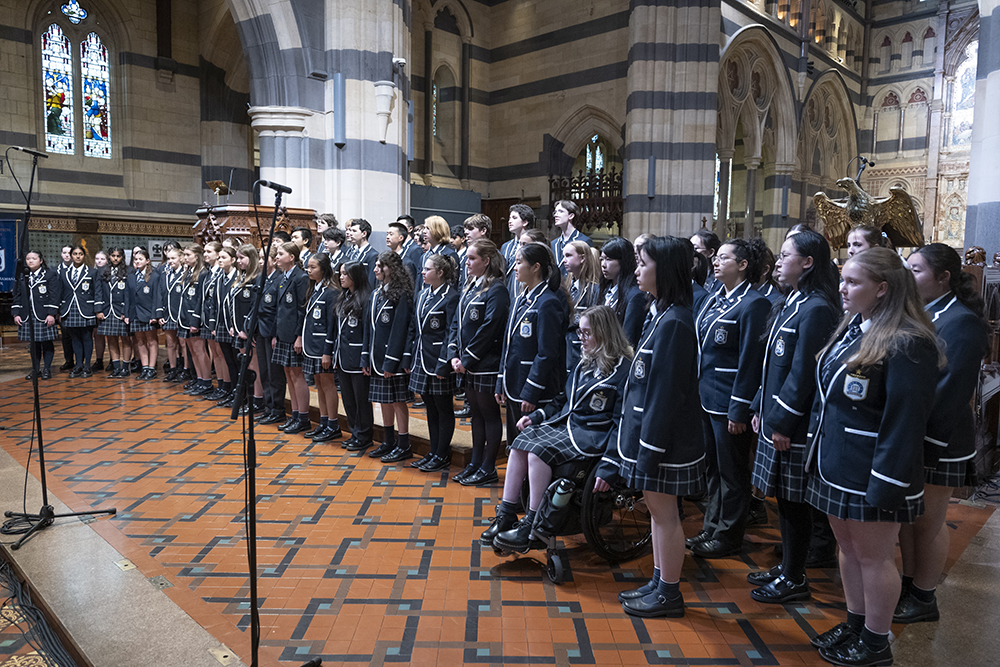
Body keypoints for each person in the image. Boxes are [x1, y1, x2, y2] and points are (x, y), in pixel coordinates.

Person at [805, 247, 941, 666]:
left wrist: (887, 482)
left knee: (875, 557)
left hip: (872, 472)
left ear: (882, 289)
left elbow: (905, 421)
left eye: (852, 282)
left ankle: (877, 642)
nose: (842, 288)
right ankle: (856, 622)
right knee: (848, 550)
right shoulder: (853, 328)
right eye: (842, 280)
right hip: (836, 466)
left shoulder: (908, 341)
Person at [596, 236, 707, 618]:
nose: (638, 270)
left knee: (665, 515)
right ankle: (661, 580)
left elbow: (666, 392)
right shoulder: (660, 311)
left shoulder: (675, 321)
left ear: (666, 270)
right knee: (659, 514)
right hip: (649, 434)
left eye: (644, 264)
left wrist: (651, 447)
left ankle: (670, 591)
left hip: (664, 441)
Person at [483, 305, 630, 550]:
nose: (580, 339)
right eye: (580, 333)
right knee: (521, 442)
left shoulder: (622, 372)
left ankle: (532, 523)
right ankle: (507, 514)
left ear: (604, 334)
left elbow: (622, 424)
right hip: (569, 427)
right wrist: (538, 416)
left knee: (538, 452)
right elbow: (563, 400)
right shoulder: (585, 363)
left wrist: (611, 463)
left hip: (593, 436)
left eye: (586, 333)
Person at [745, 230, 842, 603]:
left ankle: (795, 576)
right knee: (784, 501)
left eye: (786, 255)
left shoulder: (816, 308)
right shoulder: (794, 301)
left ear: (807, 263)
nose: (779, 262)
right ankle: (788, 567)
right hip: (775, 418)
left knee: (794, 502)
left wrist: (782, 422)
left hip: (795, 426)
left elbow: (804, 375)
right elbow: (773, 367)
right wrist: (758, 406)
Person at [896, 244, 989, 624]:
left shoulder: (962, 321)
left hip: (942, 438)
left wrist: (927, 444)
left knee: (928, 522)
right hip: (914, 434)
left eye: (916, 270)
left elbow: (951, 391)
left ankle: (924, 595)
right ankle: (908, 583)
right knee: (906, 518)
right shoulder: (923, 312)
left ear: (943, 277)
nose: (909, 276)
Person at [689, 238, 770, 558]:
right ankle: (711, 525)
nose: (716, 262)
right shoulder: (712, 299)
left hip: (728, 402)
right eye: (717, 258)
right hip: (706, 396)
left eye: (724, 258)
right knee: (713, 468)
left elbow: (751, 361)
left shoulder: (754, 303)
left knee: (732, 471)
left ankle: (728, 534)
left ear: (743, 265)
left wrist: (739, 408)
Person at [496, 242, 569, 487]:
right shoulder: (521, 299)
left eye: (519, 263)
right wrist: (500, 381)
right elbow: (508, 345)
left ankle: (529, 498)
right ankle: (516, 494)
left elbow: (547, 353)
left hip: (533, 387)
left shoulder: (548, 302)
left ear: (536, 267)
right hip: (514, 381)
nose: (514, 268)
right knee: (516, 442)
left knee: (531, 445)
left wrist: (532, 390)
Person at [448, 239, 510, 484]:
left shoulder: (497, 289)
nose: (467, 262)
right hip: (466, 363)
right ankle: (475, 462)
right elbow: (456, 323)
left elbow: (490, 328)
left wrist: (467, 358)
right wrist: (454, 354)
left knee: (489, 414)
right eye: (468, 258)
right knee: (476, 415)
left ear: (486, 261)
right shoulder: (470, 287)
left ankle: (488, 467)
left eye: (472, 258)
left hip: (485, 363)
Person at [408, 254, 460, 472]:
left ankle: (442, 453)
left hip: (439, 360)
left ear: (440, 272)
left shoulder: (451, 297)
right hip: (421, 358)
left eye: (427, 269)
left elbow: (450, 333)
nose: (423, 272)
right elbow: (415, 328)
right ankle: (433, 450)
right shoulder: (422, 294)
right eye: (423, 268)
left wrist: (444, 363)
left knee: (443, 407)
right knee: (429, 406)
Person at [363, 251, 416, 462]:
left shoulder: (402, 294)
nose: (375, 269)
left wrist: (392, 361)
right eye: (376, 265)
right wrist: (365, 357)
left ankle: (404, 444)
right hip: (376, 357)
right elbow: (369, 328)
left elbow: (400, 330)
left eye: (380, 266)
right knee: (383, 401)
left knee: (397, 401)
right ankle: (388, 441)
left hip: (390, 359)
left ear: (391, 269)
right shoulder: (376, 293)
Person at [271, 242, 311, 434]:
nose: (277, 257)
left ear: (292, 257)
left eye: (280, 254)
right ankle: (294, 415)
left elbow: (301, 310)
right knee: (288, 374)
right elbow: (280, 310)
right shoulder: (283, 277)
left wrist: (299, 336)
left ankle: (303, 417)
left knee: (297, 375)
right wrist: (276, 335)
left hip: (294, 336)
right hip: (282, 335)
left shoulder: (300, 277)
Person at [301, 253, 342, 442]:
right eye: (308, 267)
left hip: (322, 347)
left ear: (323, 269)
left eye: (313, 267)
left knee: (327, 384)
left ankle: (333, 424)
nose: (309, 270)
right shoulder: (315, 289)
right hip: (312, 346)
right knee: (318, 383)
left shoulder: (331, 291)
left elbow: (331, 325)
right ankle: (324, 422)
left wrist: (328, 351)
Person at [337, 261, 375, 452]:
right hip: (343, 356)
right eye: (341, 273)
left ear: (356, 276)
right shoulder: (344, 296)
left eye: (346, 274)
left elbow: (368, 332)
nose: (341, 277)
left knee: (361, 400)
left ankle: (364, 434)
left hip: (358, 356)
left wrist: (365, 358)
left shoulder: (366, 298)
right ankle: (355, 431)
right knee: (348, 398)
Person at [12, 250, 61, 380]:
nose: (30, 261)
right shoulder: (22, 275)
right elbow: (17, 295)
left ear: (40, 260)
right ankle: (36, 369)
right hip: (27, 314)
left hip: (44, 314)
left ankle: (47, 369)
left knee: (46, 343)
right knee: (33, 345)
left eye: (34, 258)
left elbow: (54, 295)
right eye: (28, 259)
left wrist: (51, 314)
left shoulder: (50, 274)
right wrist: (16, 313)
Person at [60, 245, 105, 378]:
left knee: (87, 337)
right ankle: (78, 365)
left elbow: (97, 291)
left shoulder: (92, 272)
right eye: (75, 254)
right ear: (71, 256)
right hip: (70, 309)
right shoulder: (64, 272)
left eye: (80, 254)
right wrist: (59, 310)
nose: (77, 256)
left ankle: (87, 366)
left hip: (86, 309)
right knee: (75, 338)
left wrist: (98, 310)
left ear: (84, 256)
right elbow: (60, 292)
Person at [231, 244, 265, 415]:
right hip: (238, 328)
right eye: (237, 258)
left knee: (254, 365)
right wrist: (233, 325)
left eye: (241, 258)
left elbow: (254, 307)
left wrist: (247, 328)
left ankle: (258, 399)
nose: (238, 262)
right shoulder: (242, 277)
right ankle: (248, 398)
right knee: (246, 365)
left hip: (248, 330)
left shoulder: (256, 278)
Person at [256, 245, 288, 426]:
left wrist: (276, 333)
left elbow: (279, 310)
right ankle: (268, 407)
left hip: (272, 332)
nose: (261, 261)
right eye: (259, 258)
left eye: (264, 258)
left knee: (275, 374)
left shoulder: (279, 279)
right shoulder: (262, 279)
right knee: (264, 371)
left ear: (274, 260)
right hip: (260, 332)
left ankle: (278, 409)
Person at [178, 244, 213, 395]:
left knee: (200, 351)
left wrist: (196, 320)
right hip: (185, 316)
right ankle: (199, 379)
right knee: (192, 350)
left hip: (194, 317)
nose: (185, 258)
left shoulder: (203, 273)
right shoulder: (188, 272)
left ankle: (206, 381)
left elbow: (200, 299)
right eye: (184, 255)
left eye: (188, 255)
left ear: (196, 256)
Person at [599, 236, 646, 346]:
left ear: (623, 261)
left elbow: (629, 337)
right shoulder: (602, 289)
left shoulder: (635, 295)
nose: (603, 265)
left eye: (609, 259)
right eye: (601, 259)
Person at [563, 240, 601, 373]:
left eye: (568, 256)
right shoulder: (568, 286)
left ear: (582, 258)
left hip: (581, 347)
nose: (564, 260)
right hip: (567, 346)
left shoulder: (593, 289)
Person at [210, 246, 241, 406]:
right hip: (221, 324)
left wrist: (233, 325)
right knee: (228, 361)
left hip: (233, 325)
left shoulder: (238, 277)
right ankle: (231, 391)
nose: (219, 260)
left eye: (223, 257)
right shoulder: (219, 277)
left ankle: (239, 394)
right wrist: (214, 324)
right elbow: (215, 302)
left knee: (237, 361)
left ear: (233, 260)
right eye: (219, 257)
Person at [127, 248, 161, 380]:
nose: (137, 261)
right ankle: (145, 367)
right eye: (135, 259)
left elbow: (156, 297)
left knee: (151, 341)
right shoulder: (131, 276)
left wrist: (154, 315)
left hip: (148, 314)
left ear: (147, 261)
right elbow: (127, 297)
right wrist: (127, 314)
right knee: (140, 342)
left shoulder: (154, 276)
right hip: (135, 314)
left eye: (140, 259)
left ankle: (152, 368)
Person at [158, 246, 186, 382]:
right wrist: (160, 314)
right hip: (167, 313)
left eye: (173, 258)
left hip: (181, 313)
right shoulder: (164, 273)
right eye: (168, 258)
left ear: (181, 258)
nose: (170, 261)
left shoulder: (186, 274)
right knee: (170, 343)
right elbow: (160, 293)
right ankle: (173, 369)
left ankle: (186, 369)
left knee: (183, 343)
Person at [417, 216, 460, 292]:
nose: (424, 231)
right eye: (424, 228)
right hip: (423, 300)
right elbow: (419, 284)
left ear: (438, 230)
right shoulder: (424, 256)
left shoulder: (449, 255)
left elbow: (452, 284)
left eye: (428, 228)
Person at [550, 200, 592, 275]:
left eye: (560, 211)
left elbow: (588, 270)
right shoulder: (553, 244)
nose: (556, 215)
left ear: (571, 216)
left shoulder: (584, 241)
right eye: (555, 212)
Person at [502, 204, 533, 297]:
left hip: (524, 291)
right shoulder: (505, 246)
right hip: (506, 291)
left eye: (514, 218)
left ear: (525, 222)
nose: (509, 221)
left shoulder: (533, 245)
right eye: (509, 218)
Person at [56, 245, 75, 372]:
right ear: (61, 254)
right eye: (64, 252)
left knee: (78, 336)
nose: (67, 255)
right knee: (66, 336)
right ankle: (69, 360)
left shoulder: (80, 270)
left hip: (78, 308)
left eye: (69, 253)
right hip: (63, 308)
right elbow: (55, 293)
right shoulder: (55, 271)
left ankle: (81, 361)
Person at [346, 218, 378, 285]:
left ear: (364, 234)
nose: (351, 234)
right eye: (350, 230)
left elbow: (371, 281)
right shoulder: (351, 253)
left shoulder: (372, 255)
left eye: (354, 231)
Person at [387, 221, 419, 286]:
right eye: (387, 234)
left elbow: (411, 287)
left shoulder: (407, 262)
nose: (387, 237)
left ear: (401, 238)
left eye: (391, 234)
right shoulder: (386, 259)